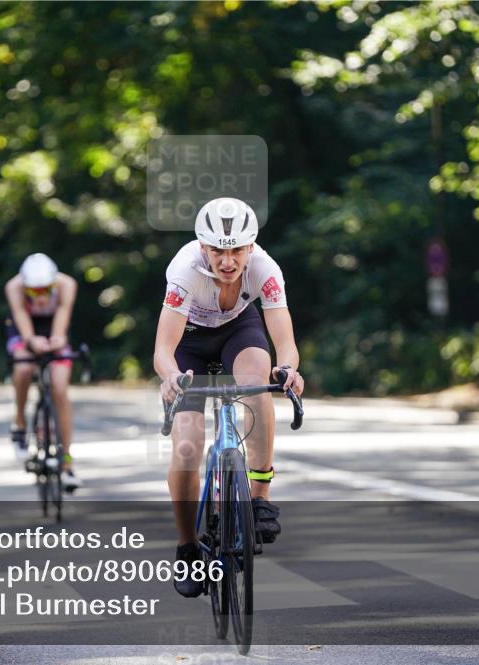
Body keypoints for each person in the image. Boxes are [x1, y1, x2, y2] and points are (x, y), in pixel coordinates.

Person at [153, 197, 304, 598]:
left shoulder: (266, 270)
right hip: (189, 344)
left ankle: (259, 496)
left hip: (239, 331)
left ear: (250, 247)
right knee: (187, 445)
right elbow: (163, 351)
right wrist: (170, 378)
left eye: (237, 249)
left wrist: (287, 369)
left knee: (257, 380)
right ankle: (187, 547)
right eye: (218, 250)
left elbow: (285, 343)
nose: (227, 260)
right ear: (203, 247)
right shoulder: (184, 271)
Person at [4, 253, 81, 491]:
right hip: (23, 329)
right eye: (33, 291)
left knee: (60, 387)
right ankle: (19, 421)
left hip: (52, 327)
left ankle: (66, 461)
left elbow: (63, 316)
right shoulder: (14, 287)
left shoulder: (67, 284)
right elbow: (21, 317)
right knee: (25, 366)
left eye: (44, 290)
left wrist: (57, 339)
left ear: (53, 284)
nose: (40, 296)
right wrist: (31, 341)